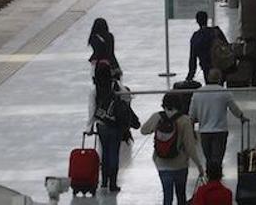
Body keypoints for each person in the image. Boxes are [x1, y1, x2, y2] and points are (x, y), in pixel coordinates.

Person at [140, 93, 205, 205]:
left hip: (161, 163)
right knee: (181, 195)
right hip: (180, 164)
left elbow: (143, 130)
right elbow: (190, 146)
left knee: (167, 196)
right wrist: (199, 165)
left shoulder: (157, 116)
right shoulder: (184, 120)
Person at [87, 62, 138, 192]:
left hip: (102, 125)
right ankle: (113, 184)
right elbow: (127, 96)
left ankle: (104, 181)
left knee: (104, 153)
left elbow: (92, 109)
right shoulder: (116, 85)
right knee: (114, 153)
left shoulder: (95, 90)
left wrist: (89, 127)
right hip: (115, 125)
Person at [189, 69, 249, 169]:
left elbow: (191, 115)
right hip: (220, 131)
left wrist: (191, 130)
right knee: (217, 159)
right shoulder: (224, 92)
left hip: (204, 131)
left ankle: (210, 178)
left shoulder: (197, 93)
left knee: (208, 159)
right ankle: (217, 179)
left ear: (208, 77)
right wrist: (241, 117)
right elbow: (234, 109)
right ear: (220, 78)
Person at [186, 11, 213, 82]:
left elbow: (192, 58)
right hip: (220, 66)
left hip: (206, 67)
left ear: (197, 21)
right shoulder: (216, 31)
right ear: (207, 20)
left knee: (210, 86)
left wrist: (190, 75)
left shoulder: (196, 37)